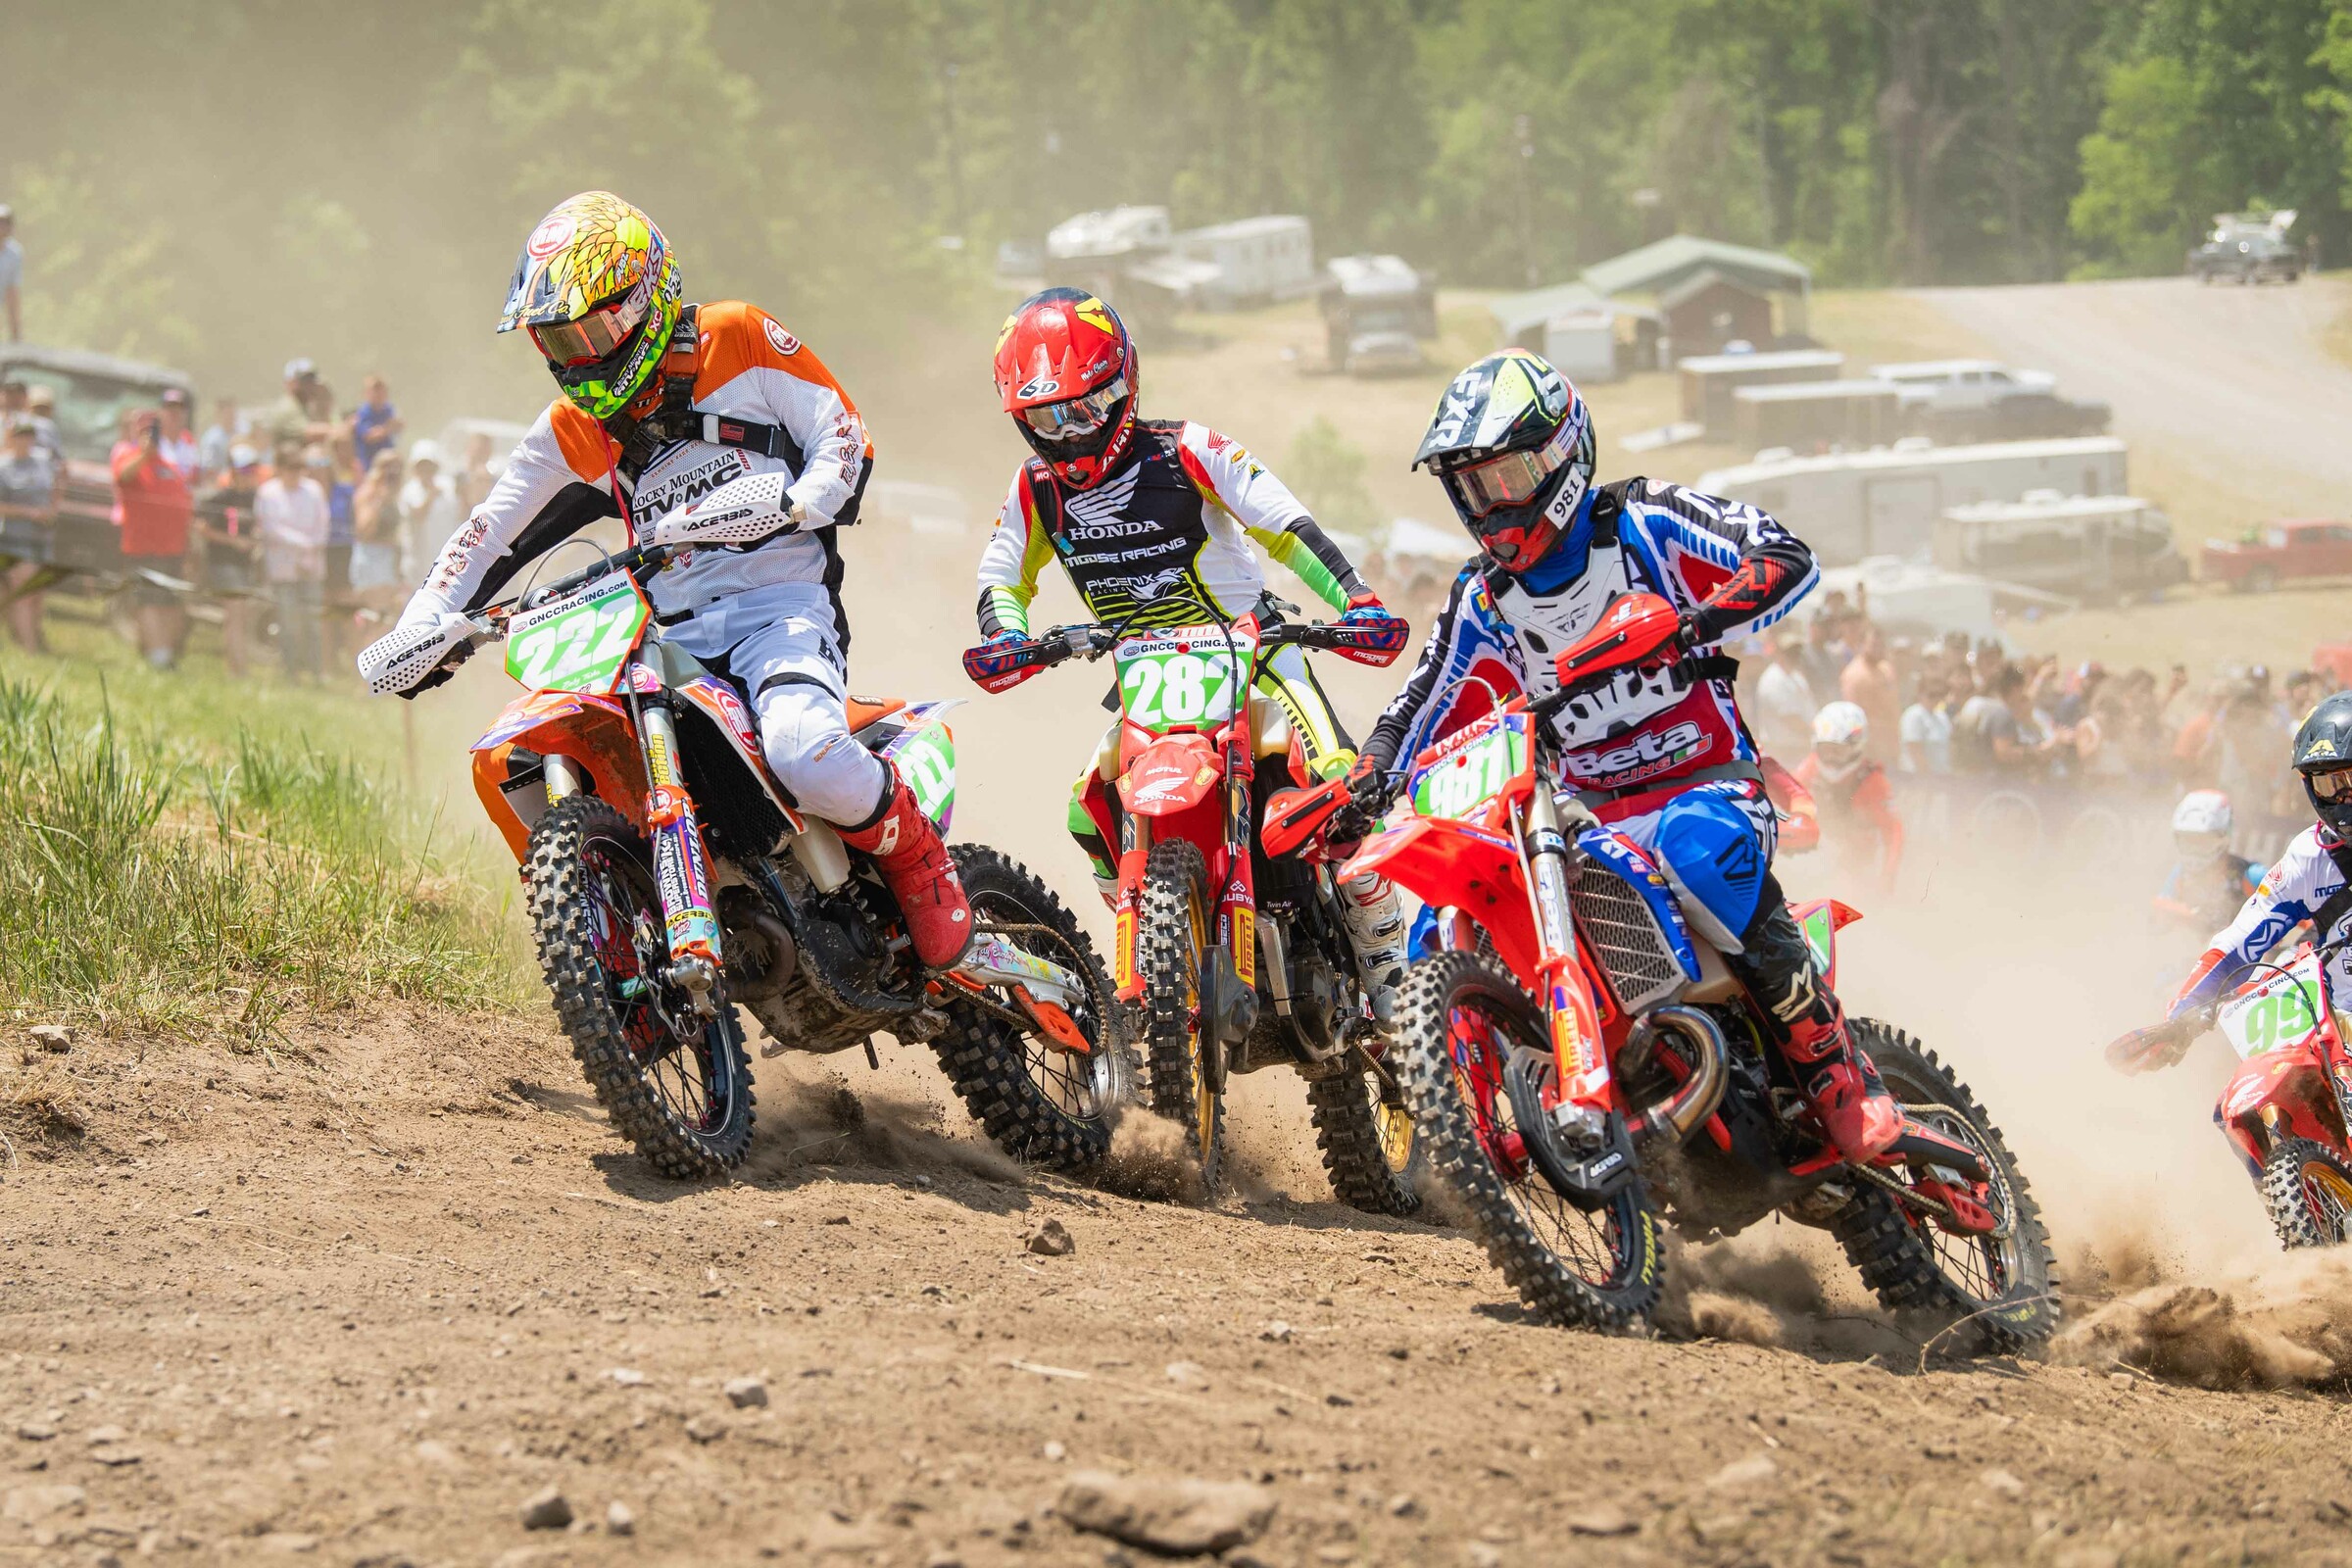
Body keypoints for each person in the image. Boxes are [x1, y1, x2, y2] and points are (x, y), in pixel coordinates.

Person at [361, 191, 971, 967]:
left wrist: (796, 500)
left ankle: (919, 855)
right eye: (558, 338)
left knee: (803, 749)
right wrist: (425, 623)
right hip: (667, 639)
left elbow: (840, 432)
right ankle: (617, 940)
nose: (582, 355)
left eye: (594, 329)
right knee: (525, 750)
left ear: (648, 295)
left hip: (779, 610)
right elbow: (482, 537)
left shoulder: (738, 339)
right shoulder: (571, 430)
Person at [1359, 349, 1913, 1164]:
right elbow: (1424, 698)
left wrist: (1692, 626)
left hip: (1708, 780)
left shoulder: (1646, 521)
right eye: (1473, 487)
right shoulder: (1483, 597)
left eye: (1506, 477)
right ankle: (1494, 1107)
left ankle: (1837, 1072)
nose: (1493, 506)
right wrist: (1367, 773)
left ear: (1561, 456)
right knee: (1454, 910)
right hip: (1582, 816)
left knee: (1697, 848)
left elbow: (1784, 554)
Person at [966, 286, 1412, 1010]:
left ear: (1121, 386)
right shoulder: (1033, 489)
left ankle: (1388, 964)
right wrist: (1006, 638)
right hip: (1150, 679)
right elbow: (1001, 575)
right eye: (1046, 418)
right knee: (1088, 815)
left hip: (1259, 654)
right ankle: (1148, 954)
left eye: (1082, 408)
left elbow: (1286, 528)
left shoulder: (1189, 449)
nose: (1070, 435)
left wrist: (1356, 600)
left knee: (1342, 786)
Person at [2118, 697, 2352, 1073]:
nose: (2343, 798)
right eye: (2329, 783)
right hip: (2333, 1032)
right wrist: (2180, 1018)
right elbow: (2237, 942)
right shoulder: (2309, 856)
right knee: (2248, 1095)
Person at [109, 408, 195, 669]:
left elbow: (185, 504)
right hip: (142, 547)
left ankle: (165, 652)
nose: (151, 437)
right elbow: (123, 477)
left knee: (169, 602)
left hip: (173, 549)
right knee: (147, 601)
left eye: (154, 431)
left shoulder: (170, 465)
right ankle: (157, 656)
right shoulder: (128, 456)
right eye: (146, 431)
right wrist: (144, 453)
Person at [1794, 701, 1903, 893]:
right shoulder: (1810, 767)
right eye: (1825, 750)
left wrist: (1888, 878)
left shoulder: (1873, 781)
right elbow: (1783, 803)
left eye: (1838, 751)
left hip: (1860, 863)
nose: (1831, 758)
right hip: (1817, 855)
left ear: (1856, 747)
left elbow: (1894, 831)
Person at [258, 438, 328, 681]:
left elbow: (322, 525)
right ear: (279, 467)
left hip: (311, 566)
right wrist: (303, 545)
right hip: (283, 568)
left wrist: (309, 551)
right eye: (290, 468)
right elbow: (271, 528)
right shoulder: (268, 493)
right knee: (288, 622)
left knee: (312, 621)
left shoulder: (313, 490)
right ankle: (291, 672)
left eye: (299, 467)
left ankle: (317, 671)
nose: (295, 473)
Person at [2152, 790, 2262, 936]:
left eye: (2203, 841)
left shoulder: (2250, 875)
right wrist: (2191, 916)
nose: (2195, 850)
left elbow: (2295, 913)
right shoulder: (2181, 873)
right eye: (2188, 841)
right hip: (2196, 955)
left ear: (2224, 837)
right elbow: (2159, 911)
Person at [196, 444, 264, 677]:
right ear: (234, 471)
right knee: (236, 612)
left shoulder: (256, 498)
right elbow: (202, 527)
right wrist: (232, 541)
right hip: (223, 563)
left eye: (253, 469)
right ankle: (239, 669)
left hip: (245, 564)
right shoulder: (222, 497)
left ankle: (234, 666)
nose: (250, 475)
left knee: (239, 616)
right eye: (245, 470)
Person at [0, 415, 57, 652]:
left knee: (36, 594)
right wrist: (30, 513)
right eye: (20, 435)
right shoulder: (4, 467)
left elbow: (55, 487)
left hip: (41, 539)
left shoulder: (43, 462)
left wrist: (52, 509)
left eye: (29, 435)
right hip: (13, 539)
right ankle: (30, 648)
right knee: (24, 591)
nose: (25, 440)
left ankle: (26, 638)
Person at [1838, 622, 1900, 768]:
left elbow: (1895, 705)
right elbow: (1853, 715)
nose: (1878, 649)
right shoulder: (1854, 674)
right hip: (1869, 748)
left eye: (1881, 645)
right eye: (1873, 644)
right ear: (1862, 644)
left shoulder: (1887, 669)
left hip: (1891, 744)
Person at [1752, 626, 1817, 759]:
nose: (1795, 656)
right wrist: (1818, 734)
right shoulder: (1773, 680)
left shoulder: (1796, 676)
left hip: (1799, 747)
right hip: (1783, 750)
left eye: (1797, 652)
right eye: (1790, 652)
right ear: (1779, 653)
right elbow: (1791, 720)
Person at [398, 439, 461, 577]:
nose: (426, 470)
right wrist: (431, 494)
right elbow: (418, 516)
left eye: (429, 465)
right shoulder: (409, 490)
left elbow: (460, 514)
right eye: (422, 466)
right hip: (418, 560)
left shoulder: (448, 485)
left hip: (446, 557)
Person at [1898, 668, 1954, 776]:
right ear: (1920, 693)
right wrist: (1928, 779)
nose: (1936, 699)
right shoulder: (1913, 715)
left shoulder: (1942, 717)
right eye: (1932, 695)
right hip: (1917, 778)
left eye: (1939, 694)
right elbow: (1915, 750)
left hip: (1942, 777)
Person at [351, 374, 403, 471]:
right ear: (366, 393)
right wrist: (387, 429)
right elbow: (369, 436)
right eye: (375, 390)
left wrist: (395, 426)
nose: (379, 394)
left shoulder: (389, 410)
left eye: (382, 390)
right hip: (369, 463)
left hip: (389, 461)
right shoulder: (363, 413)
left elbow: (399, 425)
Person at [158, 388, 201, 477]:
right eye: (170, 409)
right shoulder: (152, 443)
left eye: (179, 409)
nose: (175, 413)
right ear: (161, 412)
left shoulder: (190, 445)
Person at [199, 396, 243, 477]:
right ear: (220, 414)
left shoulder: (243, 431)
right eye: (227, 413)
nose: (231, 416)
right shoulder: (211, 439)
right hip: (222, 481)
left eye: (233, 412)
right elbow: (208, 468)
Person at [0, 206, 21, 343]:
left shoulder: (14, 253)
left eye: (7, 222)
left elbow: (12, 294)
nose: (3, 226)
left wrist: (16, 335)